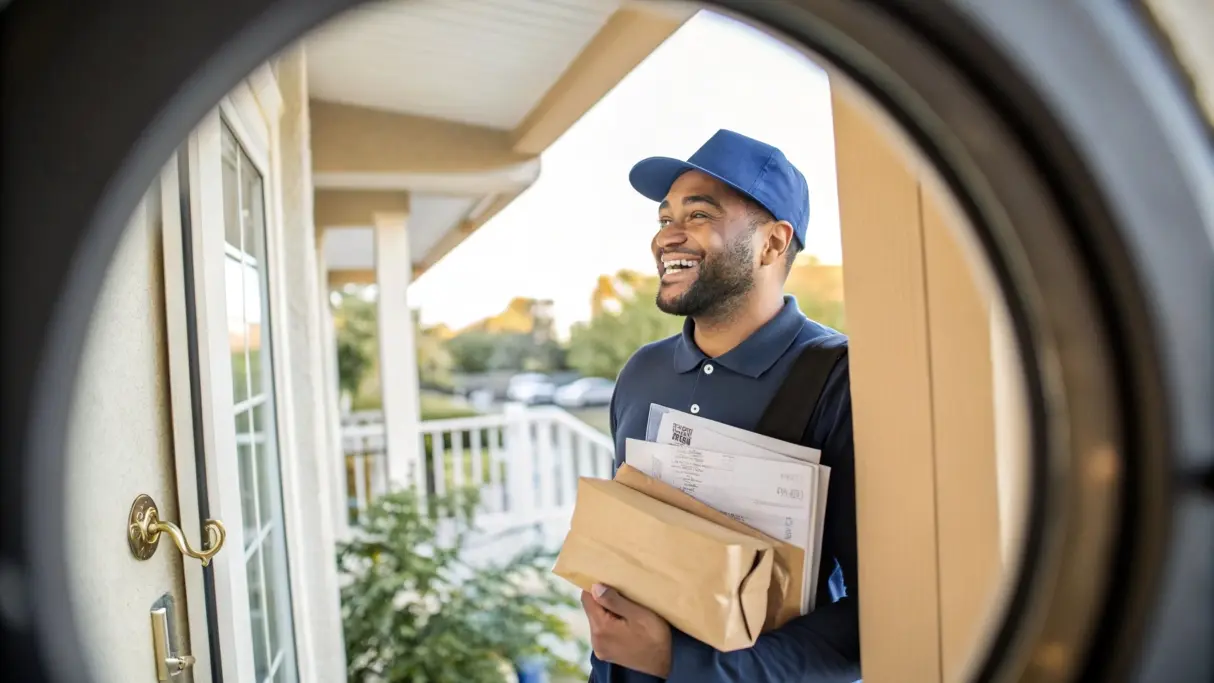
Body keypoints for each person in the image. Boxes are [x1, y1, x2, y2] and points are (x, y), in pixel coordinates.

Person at [582, 129, 861, 682]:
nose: (669, 237)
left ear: (773, 243)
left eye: (699, 215)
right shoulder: (641, 372)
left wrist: (679, 663)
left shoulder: (841, 380)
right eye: (665, 220)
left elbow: (878, 614)